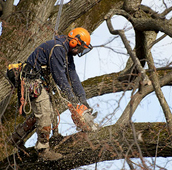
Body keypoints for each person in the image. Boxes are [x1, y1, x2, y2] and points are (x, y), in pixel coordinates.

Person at [9, 27, 93, 161]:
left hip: (39, 81)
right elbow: (60, 78)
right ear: (73, 42)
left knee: (47, 113)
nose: (79, 52)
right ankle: (43, 150)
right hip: (31, 80)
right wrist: (72, 99)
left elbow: (73, 76)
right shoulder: (58, 48)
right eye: (80, 48)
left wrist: (83, 100)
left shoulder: (67, 53)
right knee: (45, 112)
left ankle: (17, 137)